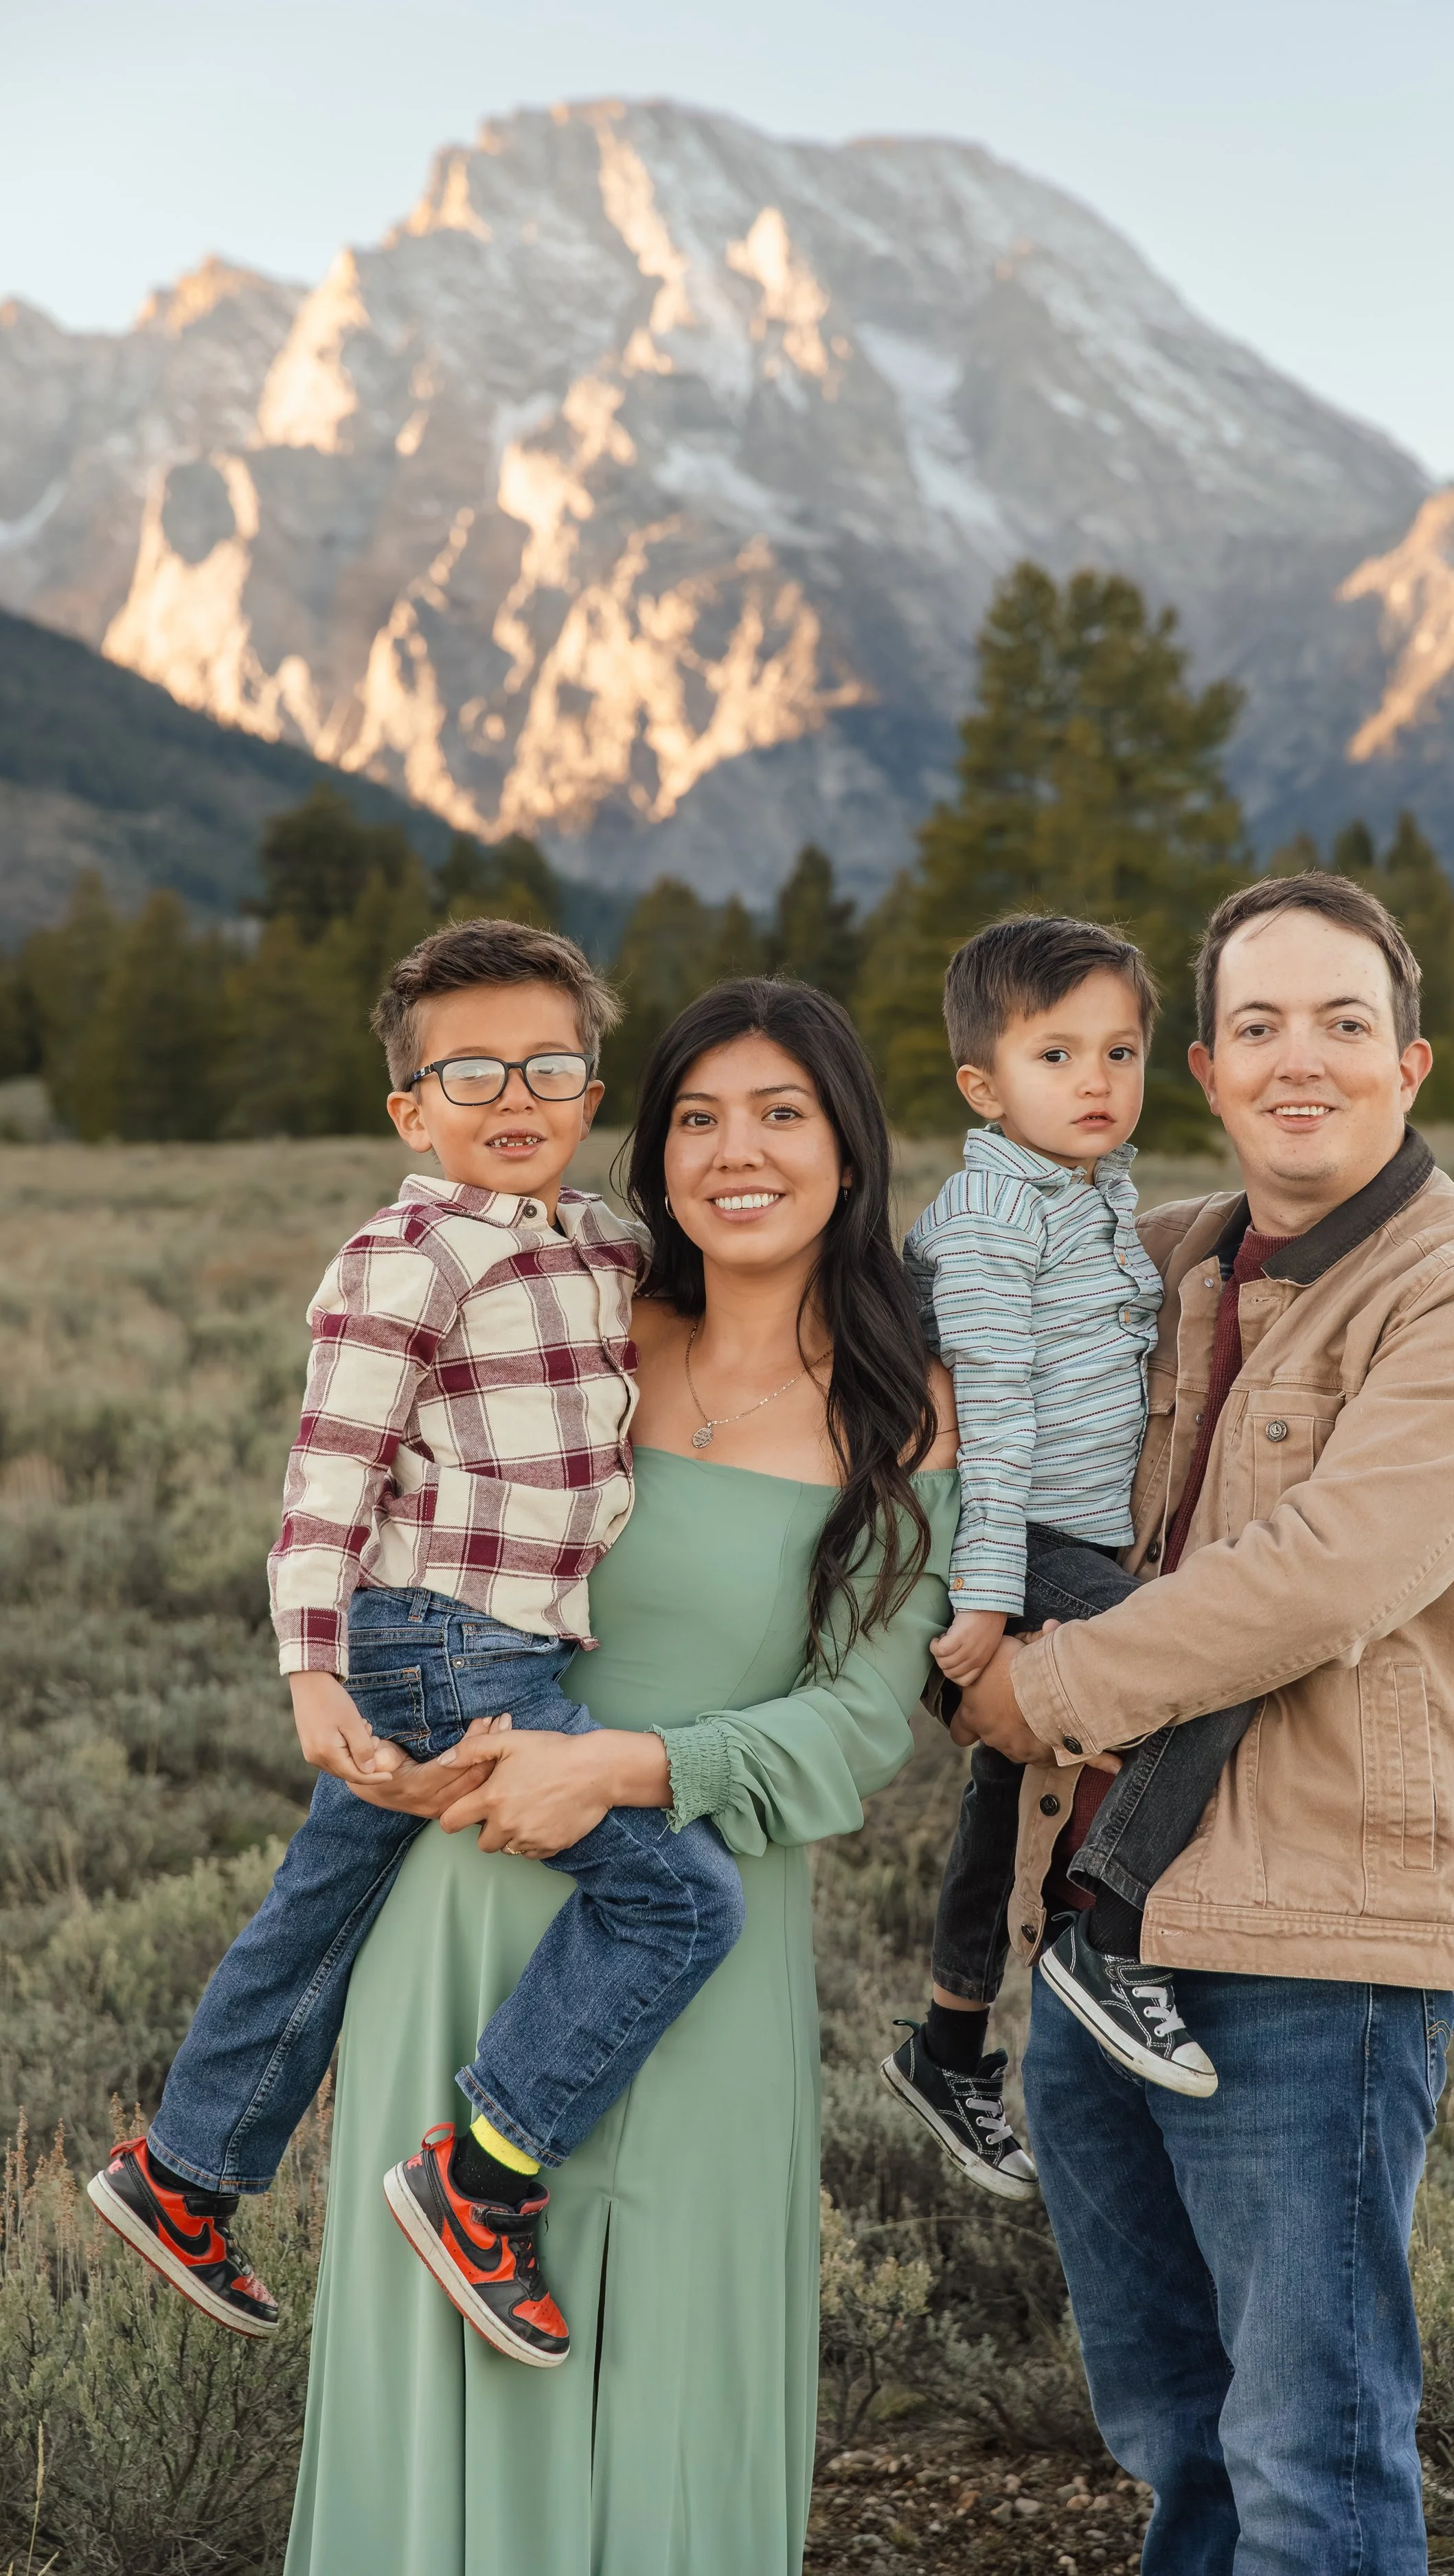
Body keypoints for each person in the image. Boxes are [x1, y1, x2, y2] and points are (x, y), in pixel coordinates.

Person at [283, 978, 959, 2576]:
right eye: (698, 1119)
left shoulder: (907, 1413)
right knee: (433, 2373)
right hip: (459, 1899)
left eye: (780, 1114)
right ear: (649, 1160)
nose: (738, 1153)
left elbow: (863, 1721)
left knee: (661, 2371)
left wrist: (633, 1764)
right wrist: (358, 1711)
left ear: (848, 1151)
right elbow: (373, 1530)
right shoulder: (561, 1325)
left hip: (695, 1919)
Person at [954, 872, 1454, 2574]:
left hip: (1314, 1944)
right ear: (1206, 1076)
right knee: (1177, 2443)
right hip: (1092, 1929)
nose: (1298, 1060)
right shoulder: (1155, 1270)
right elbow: (929, 1334)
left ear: (1408, 1062)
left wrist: (1039, 1696)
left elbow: (1322, 1572)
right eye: (1253, 1027)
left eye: (1342, 1023)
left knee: (1308, 2451)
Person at [87, 918, 744, 2369]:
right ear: (411, 1108)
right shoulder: (408, 1256)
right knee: (680, 1906)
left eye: (550, 1067)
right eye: (470, 1074)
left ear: (590, 1094)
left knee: (322, 1905)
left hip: (470, 1641)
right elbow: (328, 1473)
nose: (514, 1099)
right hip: (448, 1644)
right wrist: (310, 1668)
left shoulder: (596, 1240)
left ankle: (185, 2171)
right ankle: (483, 2176)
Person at [881, 915, 1261, 2203]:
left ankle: (949, 2041)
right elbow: (988, 1418)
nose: (1096, 1081)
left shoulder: (1091, 1196)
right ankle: (1110, 1929)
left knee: (1011, 1771)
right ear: (985, 1087)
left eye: (1120, 1049)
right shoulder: (994, 1217)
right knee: (1207, 1670)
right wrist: (988, 1593)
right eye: (1057, 1054)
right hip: (1012, 1537)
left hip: (1057, 1536)